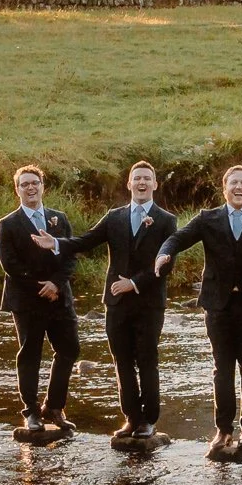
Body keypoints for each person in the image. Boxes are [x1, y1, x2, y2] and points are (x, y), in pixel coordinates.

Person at [155, 164, 242, 460]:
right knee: (222, 368)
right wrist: (164, 253)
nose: (238, 188)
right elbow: (177, 239)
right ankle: (223, 429)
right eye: (233, 182)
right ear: (224, 187)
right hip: (217, 304)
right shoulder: (208, 219)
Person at [64, 161, 176, 439]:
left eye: (146, 179)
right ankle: (131, 418)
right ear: (128, 184)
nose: (141, 182)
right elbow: (85, 241)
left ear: (154, 185)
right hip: (115, 303)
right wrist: (55, 244)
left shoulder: (166, 220)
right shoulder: (113, 217)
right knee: (121, 361)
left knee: (147, 359)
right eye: (136, 178)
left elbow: (165, 266)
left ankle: (149, 420)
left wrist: (134, 283)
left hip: (149, 303)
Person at [0, 165, 80, 434]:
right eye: (24, 184)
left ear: (43, 186)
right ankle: (30, 411)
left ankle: (54, 407)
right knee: (30, 354)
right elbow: (9, 263)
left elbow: (71, 254)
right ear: (17, 189)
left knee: (69, 349)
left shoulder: (59, 218)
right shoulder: (7, 224)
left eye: (35, 183)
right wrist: (39, 286)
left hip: (59, 297)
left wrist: (56, 283)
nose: (30, 188)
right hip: (26, 300)